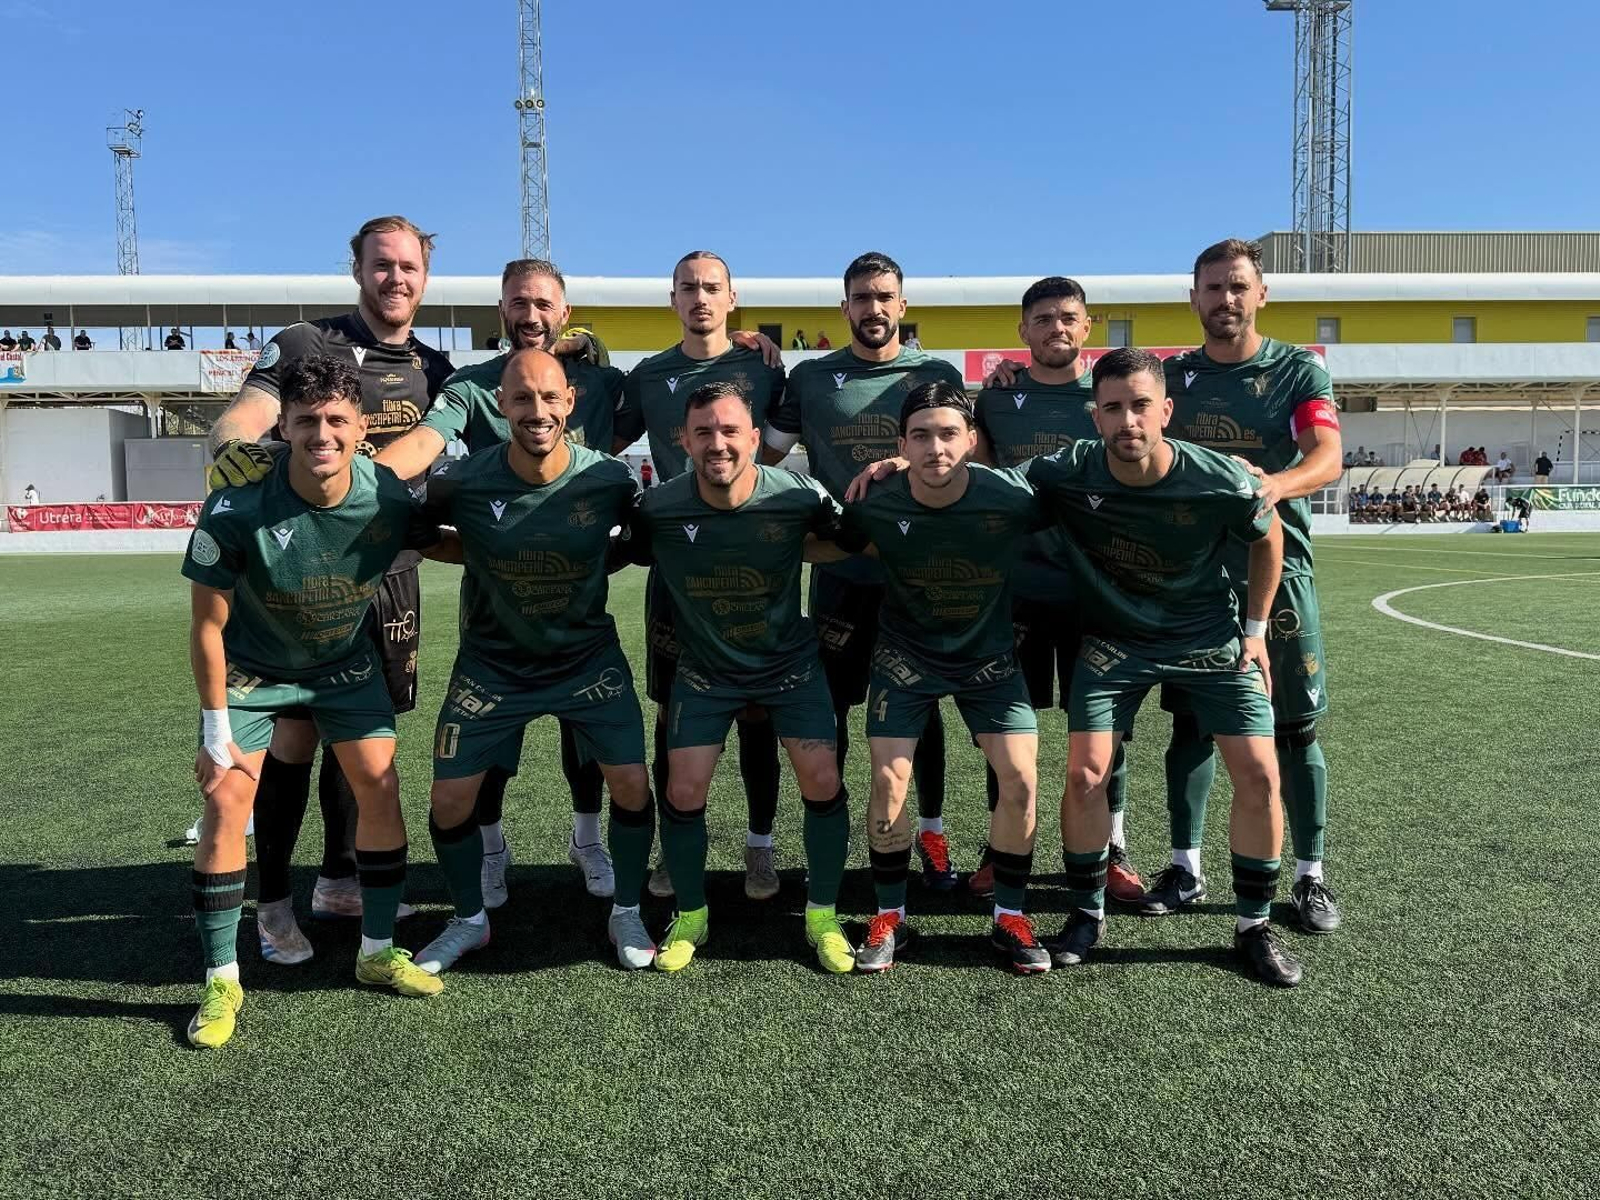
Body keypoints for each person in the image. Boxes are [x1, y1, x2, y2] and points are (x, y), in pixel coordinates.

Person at [178, 353, 459, 1048]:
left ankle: (376, 951)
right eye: (306, 421)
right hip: (252, 671)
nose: (322, 434)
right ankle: (221, 979)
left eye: (337, 419)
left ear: (362, 426)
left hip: (342, 664)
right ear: (286, 426)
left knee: (380, 784)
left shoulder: (388, 495)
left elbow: (447, 544)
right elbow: (206, 627)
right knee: (225, 798)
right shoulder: (237, 504)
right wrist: (216, 729)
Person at [202, 215, 454, 959]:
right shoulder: (308, 342)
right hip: (305, 565)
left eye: (408, 267)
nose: (395, 279)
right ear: (357, 269)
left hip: (390, 575)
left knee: (365, 738)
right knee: (294, 735)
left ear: (425, 276)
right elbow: (241, 420)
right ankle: (273, 896)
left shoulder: (437, 368)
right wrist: (233, 454)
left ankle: (341, 878)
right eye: (382, 265)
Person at [1030, 347, 1297, 985]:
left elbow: (1271, 538)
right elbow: (985, 484)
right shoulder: (1068, 470)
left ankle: (1253, 926)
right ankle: (1086, 912)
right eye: (1113, 408)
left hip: (1208, 640)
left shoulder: (1218, 478)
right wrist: (905, 464)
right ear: (1094, 416)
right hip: (1114, 641)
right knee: (1086, 772)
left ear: (1166, 411)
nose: (1128, 421)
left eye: (1141, 406)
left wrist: (1256, 632)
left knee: (1260, 773)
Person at [376, 257, 636, 904]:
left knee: (589, 742)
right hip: (496, 606)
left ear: (565, 313)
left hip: (577, 599)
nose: (531, 315)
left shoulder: (600, 386)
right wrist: (360, 483)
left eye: (544, 304)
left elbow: (648, 433)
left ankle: (588, 839)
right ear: (502, 309)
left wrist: (757, 348)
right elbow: (426, 442)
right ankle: (491, 849)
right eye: (518, 303)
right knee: (489, 749)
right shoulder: (470, 387)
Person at [407, 348, 653, 974]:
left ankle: (626, 908)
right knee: (448, 801)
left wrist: (591, 567)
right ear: (500, 405)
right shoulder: (461, 481)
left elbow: (637, 542)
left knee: (630, 785)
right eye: (521, 398)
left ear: (570, 403)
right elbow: (415, 533)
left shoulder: (611, 480)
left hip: (586, 660)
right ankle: (468, 921)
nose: (536, 410)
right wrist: (480, 558)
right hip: (493, 665)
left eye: (549, 397)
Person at [623, 380, 862, 974]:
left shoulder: (800, 495)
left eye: (730, 431)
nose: (717, 443)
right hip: (706, 671)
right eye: (703, 432)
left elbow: (852, 538)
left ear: (755, 438)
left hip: (788, 666)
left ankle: (823, 917)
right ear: (683, 439)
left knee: (823, 779)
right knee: (682, 789)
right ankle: (691, 916)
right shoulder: (657, 507)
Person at [762, 251, 968, 888]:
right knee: (833, 712)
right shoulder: (813, 379)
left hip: (918, 575)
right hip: (841, 572)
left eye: (885, 297)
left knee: (923, 708)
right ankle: (835, 840)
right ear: (843, 307)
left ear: (902, 306)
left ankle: (930, 835)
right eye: (862, 298)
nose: (874, 309)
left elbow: (970, 446)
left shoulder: (935, 373)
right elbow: (767, 456)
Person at [834, 382, 1053, 974]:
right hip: (905, 659)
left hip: (989, 662)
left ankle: (1009, 915)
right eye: (921, 435)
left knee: (1022, 782)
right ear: (901, 444)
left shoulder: (1012, 495)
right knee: (888, 782)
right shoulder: (874, 500)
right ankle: (891, 917)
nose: (936, 447)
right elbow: (825, 541)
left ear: (973, 440)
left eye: (949, 433)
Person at [1160, 238, 1343, 936]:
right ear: (1194, 299)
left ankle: (1310, 877)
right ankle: (1184, 865)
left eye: (1239, 286)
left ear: (1261, 294)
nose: (1226, 299)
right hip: (1194, 578)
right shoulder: (1173, 377)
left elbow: (1325, 456)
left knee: (1295, 729)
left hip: (1280, 570)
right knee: (1192, 725)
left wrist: (1273, 485)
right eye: (1213, 288)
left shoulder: (1296, 370)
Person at [966, 277, 1143, 904]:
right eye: (1042, 320)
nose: (1055, 328)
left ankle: (1111, 846)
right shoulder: (995, 401)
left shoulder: (1108, 402)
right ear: (1023, 332)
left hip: (1095, 592)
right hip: (1013, 592)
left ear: (1087, 326)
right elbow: (975, 478)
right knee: (1006, 729)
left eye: (1068, 317)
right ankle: (1001, 846)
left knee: (1102, 731)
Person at [622, 251, 790, 902]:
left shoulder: (760, 366)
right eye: (688, 287)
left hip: (755, 567)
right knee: (673, 715)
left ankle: (760, 848)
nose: (700, 297)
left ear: (731, 297)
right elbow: (592, 435)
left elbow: (776, 446)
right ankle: (674, 844)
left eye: (711, 287)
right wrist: (580, 348)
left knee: (757, 715)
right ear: (672, 299)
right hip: (677, 571)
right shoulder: (650, 376)